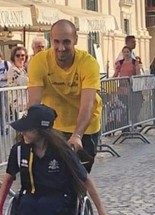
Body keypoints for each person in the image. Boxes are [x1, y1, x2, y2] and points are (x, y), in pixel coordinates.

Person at [27, 19, 102, 173]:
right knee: (53, 173)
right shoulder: (39, 61)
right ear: (51, 40)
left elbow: (86, 106)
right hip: (55, 126)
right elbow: (34, 102)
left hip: (86, 126)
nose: (61, 47)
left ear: (75, 40)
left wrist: (77, 135)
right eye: (56, 42)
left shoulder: (88, 63)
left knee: (78, 177)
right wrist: (30, 129)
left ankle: (80, 196)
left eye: (66, 42)